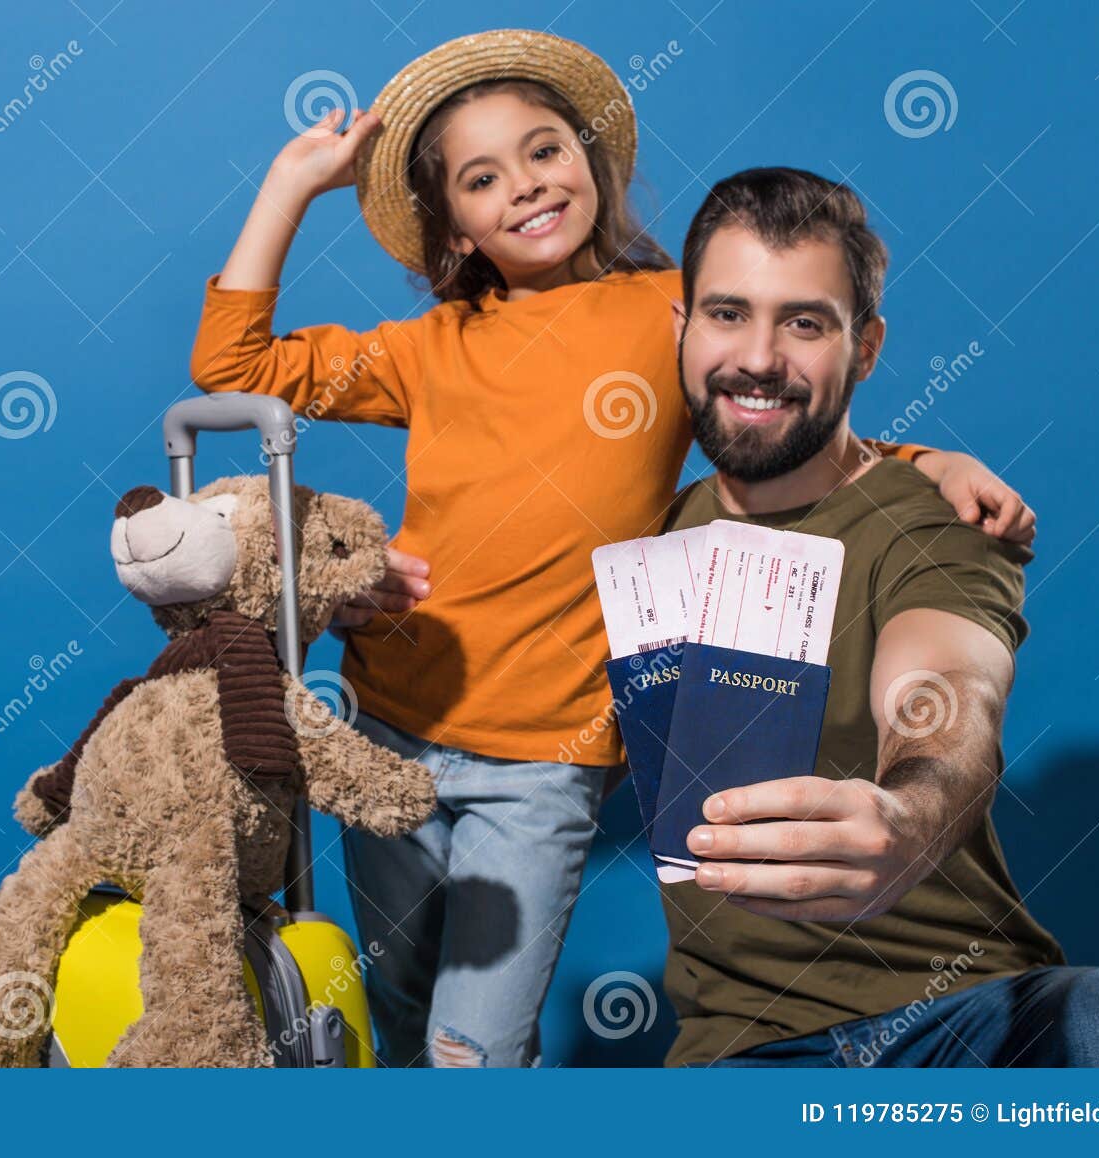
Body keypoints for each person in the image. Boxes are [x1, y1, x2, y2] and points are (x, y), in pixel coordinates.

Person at [191, 30, 1034, 1068]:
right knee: (394, 1016)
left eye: (545, 150)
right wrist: (290, 185)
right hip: (390, 725)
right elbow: (233, 366)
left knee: (474, 1049)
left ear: (595, 159)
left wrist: (935, 458)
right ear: (449, 224)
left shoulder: (664, 312)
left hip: (545, 762)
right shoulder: (428, 348)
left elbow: (773, 402)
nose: (526, 187)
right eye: (482, 177)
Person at [657, 166, 1099, 1068]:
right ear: (682, 328)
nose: (759, 357)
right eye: (728, 313)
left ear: (867, 346)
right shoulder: (645, 538)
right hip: (742, 1056)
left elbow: (948, 691)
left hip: (967, 1017)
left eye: (805, 323)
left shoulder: (938, 520)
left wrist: (910, 816)